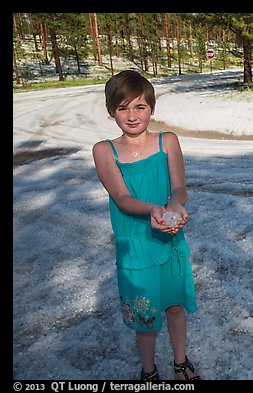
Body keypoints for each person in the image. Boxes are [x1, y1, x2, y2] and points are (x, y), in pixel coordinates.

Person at [92, 70, 201, 381]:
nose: (132, 115)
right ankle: (149, 371)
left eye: (139, 106)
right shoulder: (104, 150)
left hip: (170, 243)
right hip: (136, 250)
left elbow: (179, 187)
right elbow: (124, 198)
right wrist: (154, 208)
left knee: (175, 308)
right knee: (145, 319)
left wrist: (176, 204)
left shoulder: (168, 141)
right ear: (111, 110)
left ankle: (180, 363)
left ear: (152, 108)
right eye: (122, 107)